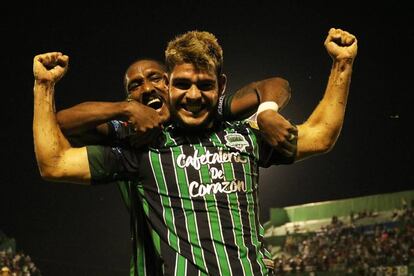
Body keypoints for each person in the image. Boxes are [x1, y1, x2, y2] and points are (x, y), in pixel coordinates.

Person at [32, 27, 357, 275]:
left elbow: (320, 135)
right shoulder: (139, 148)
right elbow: (55, 161)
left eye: (204, 85)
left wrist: (341, 64)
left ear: (220, 87)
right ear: (172, 86)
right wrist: (44, 87)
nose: (193, 95)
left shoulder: (243, 135)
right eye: (183, 85)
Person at [53, 58, 295, 276]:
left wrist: (266, 112)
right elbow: (62, 122)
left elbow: (274, 84)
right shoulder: (128, 132)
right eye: (135, 85)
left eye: (155, 77)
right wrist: (124, 109)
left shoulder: (207, 113)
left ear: (171, 85)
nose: (147, 88)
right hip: (150, 265)